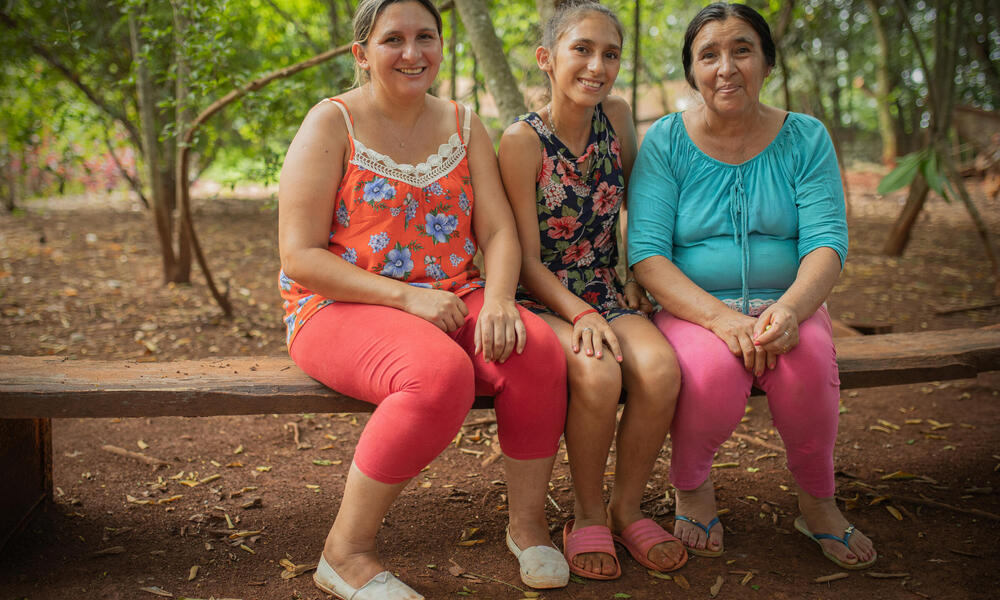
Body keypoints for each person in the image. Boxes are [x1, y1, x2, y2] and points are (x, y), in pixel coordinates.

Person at [277, 1, 571, 597]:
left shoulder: (463, 123)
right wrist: (407, 300)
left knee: (534, 348)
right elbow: (300, 256)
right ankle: (345, 553)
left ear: (441, 45)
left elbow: (496, 232)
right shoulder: (331, 123)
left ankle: (528, 526)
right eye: (393, 40)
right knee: (439, 375)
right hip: (338, 305)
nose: (412, 53)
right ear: (362, 54)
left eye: (425, 37)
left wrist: (500, 301)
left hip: (455, 294)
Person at [627, 2, 877, 570]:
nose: (726, 67)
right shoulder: (666, 141)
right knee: (711, 374)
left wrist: (789, 311)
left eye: (742, 49)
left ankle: (817, 502)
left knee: (808, 364)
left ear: (766, 60)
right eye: (708, 55)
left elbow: (826, 242)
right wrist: (721, 320)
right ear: (692, 71)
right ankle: (691, 487)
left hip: (789, 303)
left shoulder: (805, 137)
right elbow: (646, 254)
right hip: (694, 310)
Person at [498, 0, 686, 580]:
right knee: (600, 371)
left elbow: (640, 206)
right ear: (546, 59)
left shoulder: (619, 117)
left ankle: (626, 509)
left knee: (660, 370)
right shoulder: (522, 141)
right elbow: (524, 260)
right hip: (543, 295)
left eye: (610, 54)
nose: (596, 66)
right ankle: (584, 514)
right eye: (581, 49)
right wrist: (579, 314)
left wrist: (635, 272)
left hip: (606, 285)